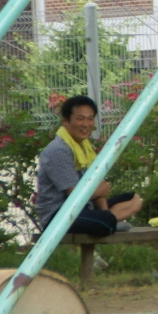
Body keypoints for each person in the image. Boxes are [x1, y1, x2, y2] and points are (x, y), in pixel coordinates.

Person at [34, 94, 143, 239]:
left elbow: (99, 189)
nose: (86, 124)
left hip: (85, 207)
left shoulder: (85, 147)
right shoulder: (59, 149)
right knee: (104, 224)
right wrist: (99, 192)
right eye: (80, 118)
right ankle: (110, 221)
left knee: (134, 199)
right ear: (65, 121)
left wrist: (104, 210)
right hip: (59, 215)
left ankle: (109, 219)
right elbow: (74, 196)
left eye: (90, 119)